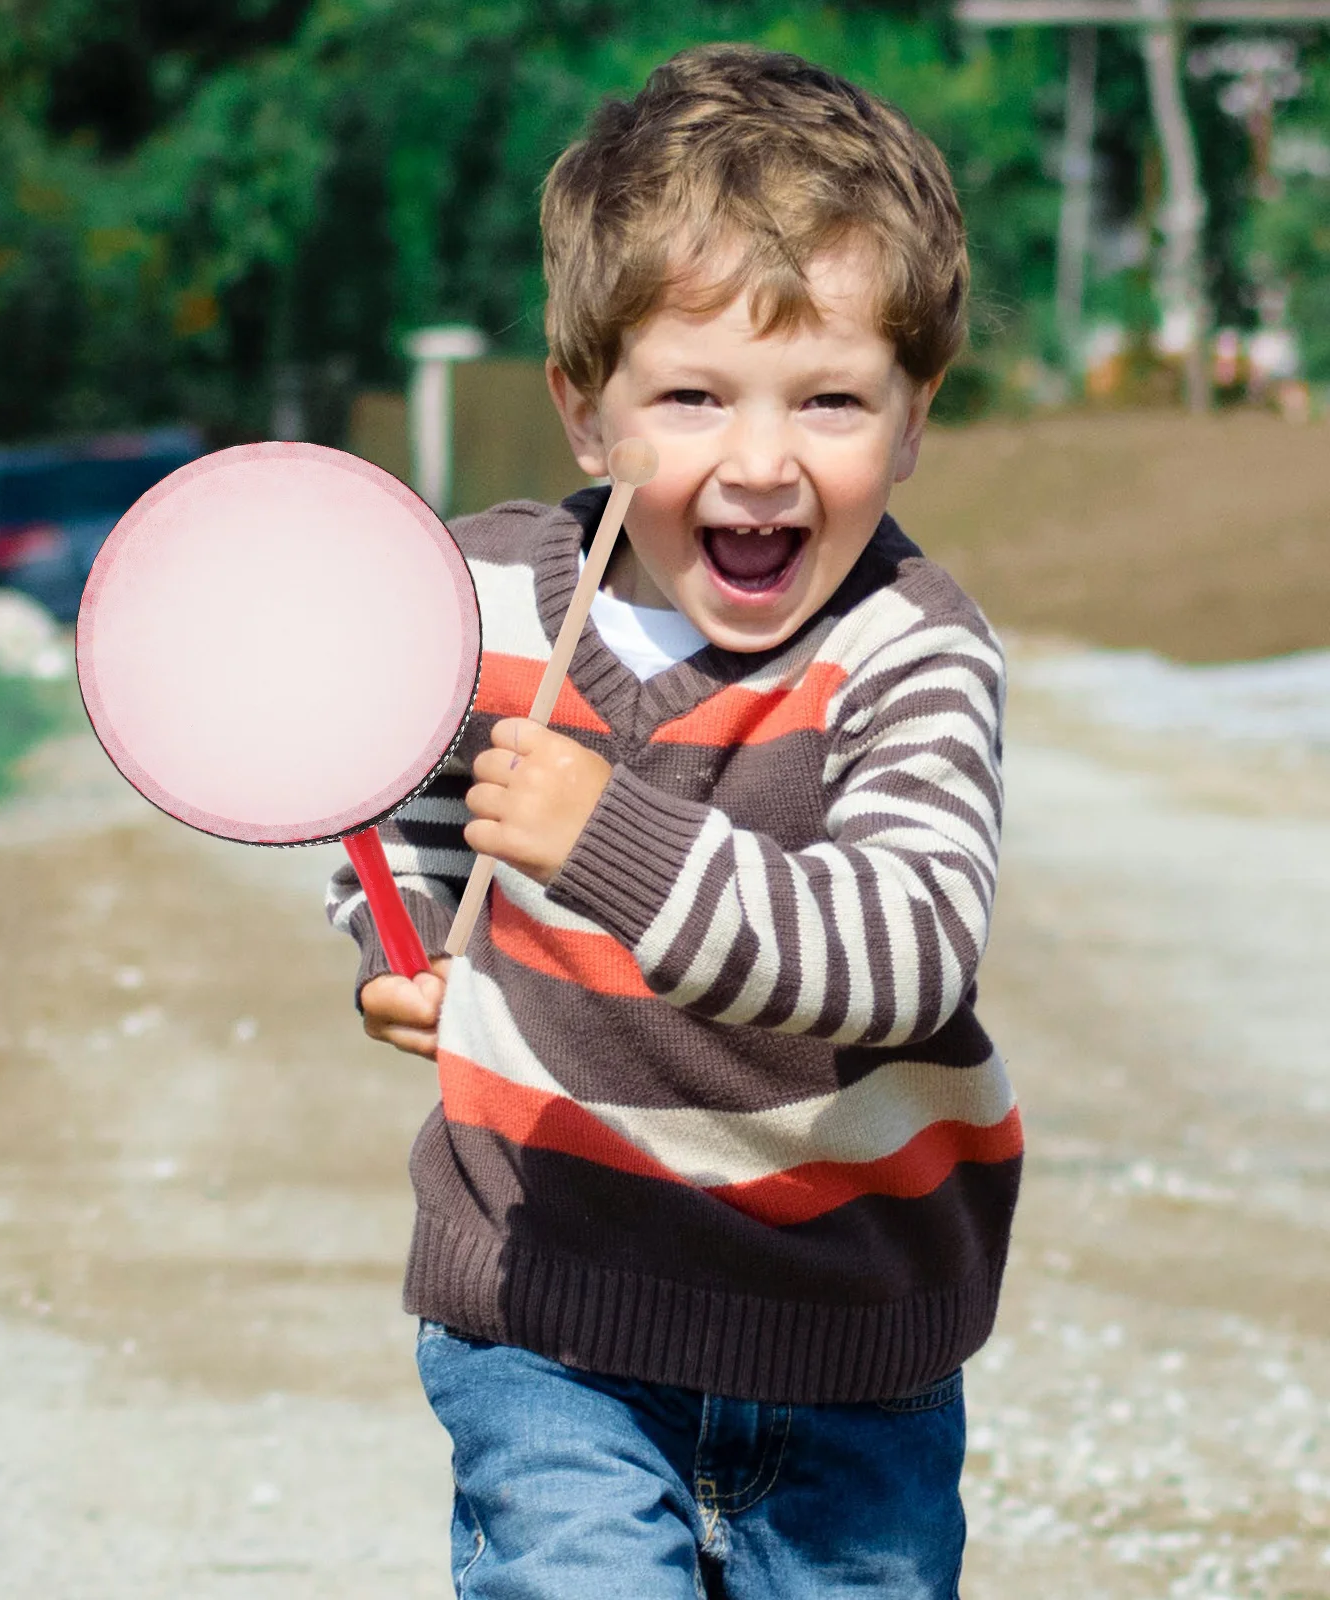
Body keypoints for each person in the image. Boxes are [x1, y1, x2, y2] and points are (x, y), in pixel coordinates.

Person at [326, 42, 1019, 1599]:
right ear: (586, 412)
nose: (760, 462)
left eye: (831, 399)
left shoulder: (909, 651)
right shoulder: (485, 594)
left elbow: (905, 952)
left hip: (848, 1340)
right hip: (548, 1309)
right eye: (694, 396)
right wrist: (413, 940)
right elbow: (389, 792)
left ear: (914, 420)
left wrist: (608, 839)